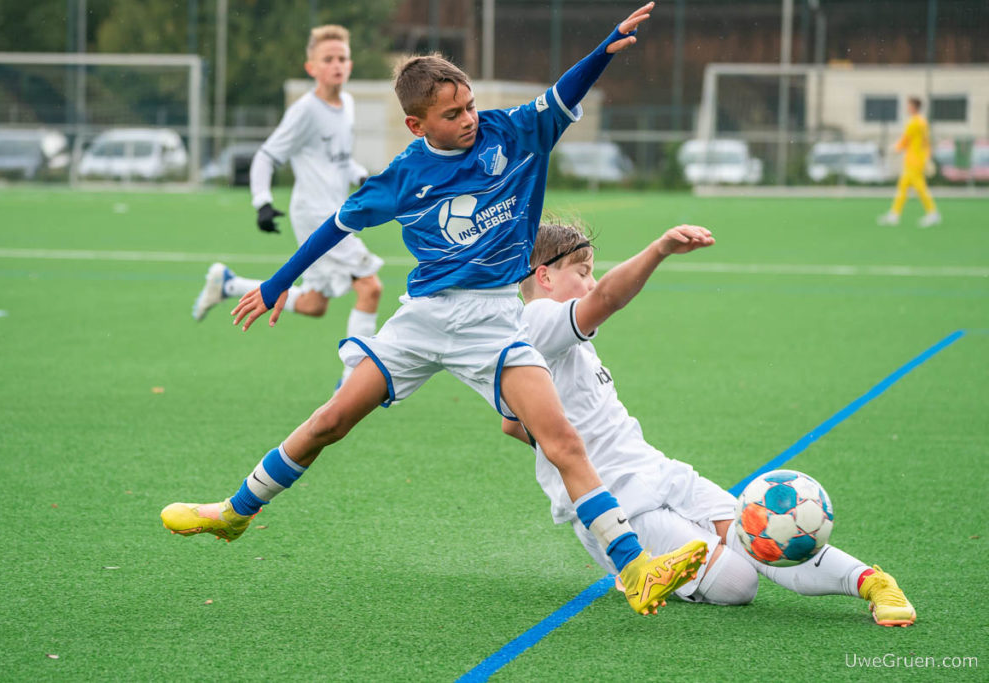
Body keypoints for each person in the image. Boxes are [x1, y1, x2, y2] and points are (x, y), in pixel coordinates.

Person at [163, 3, 709, 617]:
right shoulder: (401, 177)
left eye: (470, 105)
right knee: (330, 421)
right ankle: (235, 512)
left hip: (495, 324)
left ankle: (636, 570)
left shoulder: (513, 133)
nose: (470, 119)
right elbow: (333, 229)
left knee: (563, 442)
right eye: (453, 115)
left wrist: (606, 45)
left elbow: (561, 93)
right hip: (422, 321)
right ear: (416, 124)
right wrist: (276, 282)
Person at [503, 217, 917, 627]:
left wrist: (560, 443)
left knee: (759, 530)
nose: (592, 282)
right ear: (545, 276)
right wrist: (659, 249)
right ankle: (634, 565)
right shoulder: (536, 320)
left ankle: (872, 582)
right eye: (583, 272)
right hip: (619, 504)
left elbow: (512, 423)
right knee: (740, 583)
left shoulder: (556, 339)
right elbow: (607, 300)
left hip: (657, 472)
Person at [191, 24, 384, 387]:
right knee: (370, 287)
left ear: (351, 64)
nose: (337, 65)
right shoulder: (305, 111)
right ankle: (352, 382)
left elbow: (338, 160)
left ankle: (228, 284)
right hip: (315, 214)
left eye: (342, 58)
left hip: (336, 210)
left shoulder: (348, 105)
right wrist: (262, 202)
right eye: (328, 59)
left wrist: (361, 177)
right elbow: (266, 156)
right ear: (312, 67)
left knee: (314, 304)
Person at [878, 96, 941, 228]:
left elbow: (905, 141)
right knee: (903, 186)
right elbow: (926, 142)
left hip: (914, 161)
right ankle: (894, 215)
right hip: (917, 159)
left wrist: (892, 149)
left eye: (908, 105)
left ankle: (933, 213)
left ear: (913, 107)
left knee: (920, 188)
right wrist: (927, 157)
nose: (907, 108)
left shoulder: (914, 123)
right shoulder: (923, 122)